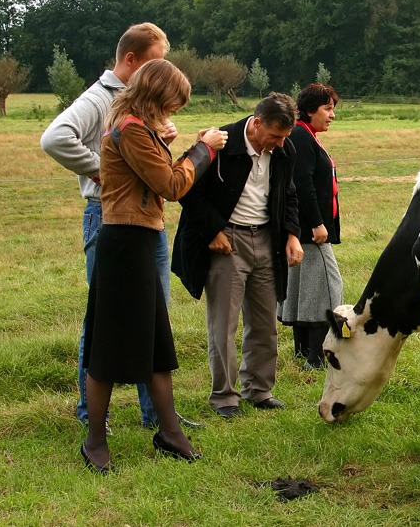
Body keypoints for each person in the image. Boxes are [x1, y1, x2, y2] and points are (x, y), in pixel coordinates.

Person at [40, 22, 202, 432]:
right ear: (131, 60)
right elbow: (55, 138)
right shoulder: (101, 98)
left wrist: (160, 138)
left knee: (153, 321)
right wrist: (107, 172)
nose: (157, 72)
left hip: (146, 221)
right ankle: (93, 417)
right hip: (111, 217)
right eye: (154, 63)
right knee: (103, 323)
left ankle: (155, 415)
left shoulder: (138, 107)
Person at [81, 59, 227, 472]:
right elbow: (171, 185)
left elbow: (160, 175)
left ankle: (169, 433)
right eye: (171, 102)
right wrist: (203, 150)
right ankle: (95, 442)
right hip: (124, 242)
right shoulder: (129, 129)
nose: (174, 110)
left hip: (142, 238)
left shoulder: (139, 129)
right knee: (108, 342)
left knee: (156, 342)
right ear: (154, 95)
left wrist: (186, 148)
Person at [172, 92, 304, 420]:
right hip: (226, 241)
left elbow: (288, 194)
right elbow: (186, 190)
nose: (277, 143)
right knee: (224, 324)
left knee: (264, 323)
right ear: (256, 123)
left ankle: (259, 390)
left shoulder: (285, 150)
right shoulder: (219, 144)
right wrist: (213, 231)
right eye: (274, 136)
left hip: (267, 240)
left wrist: (291, 233)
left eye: (284, 137)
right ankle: (224, 397)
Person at [280, 83, 344, 370]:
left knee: (303, 288)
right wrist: (319, 224)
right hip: (311, 232)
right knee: (327, 289)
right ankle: (316, 359)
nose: (332, 115)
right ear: (308, 110)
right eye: (327, 109)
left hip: (302, 231)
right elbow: (303, 186)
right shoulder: (302, 138)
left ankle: (302, 353)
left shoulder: (306, 136)